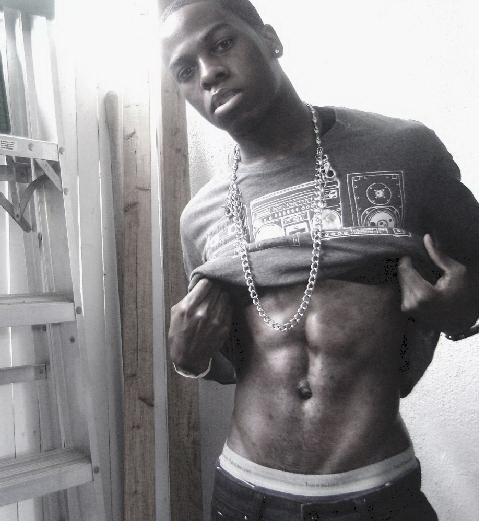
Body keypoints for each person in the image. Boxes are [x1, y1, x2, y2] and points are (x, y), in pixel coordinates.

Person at [161, 1, 479, 519]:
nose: (209, 73)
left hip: (377, 494)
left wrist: (462, 313)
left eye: (221, 43)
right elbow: (230, 360)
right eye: (184, 70)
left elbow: (473, 276)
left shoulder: (404, 150)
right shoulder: (201, 217)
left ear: (270, 39)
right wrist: (187, 358)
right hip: (244, 496)